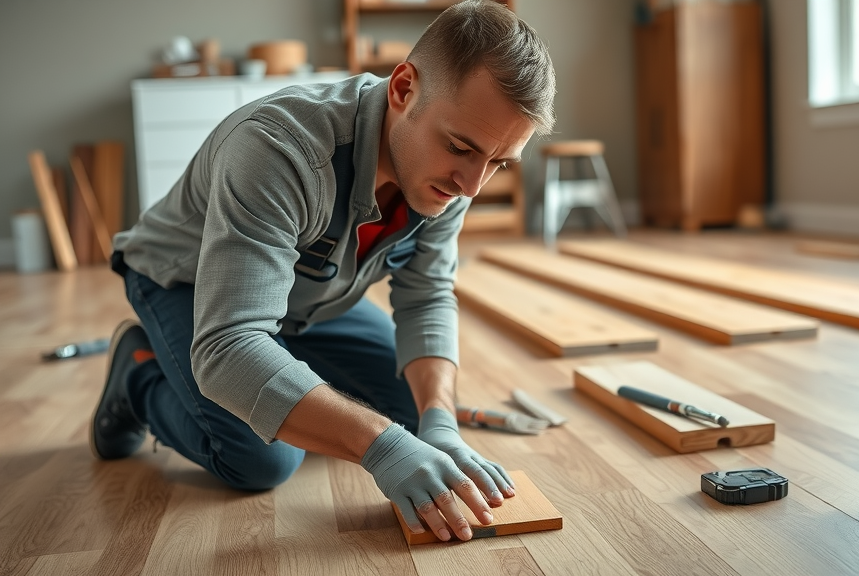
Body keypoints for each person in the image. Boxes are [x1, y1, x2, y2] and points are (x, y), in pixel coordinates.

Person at [89, 0, 555, 543]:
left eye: (498, 162)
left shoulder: (450, 169)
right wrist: (379, 446)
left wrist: (440, 421)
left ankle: (293, 363)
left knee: (413, 413)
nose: (473, 186)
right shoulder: (277, 148)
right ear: (404, 89)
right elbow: (229, 348)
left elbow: (426, 294)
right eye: (460, 148)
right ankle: (138, 371)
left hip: (309, 297)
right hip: (187, 282)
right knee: (261, 460)